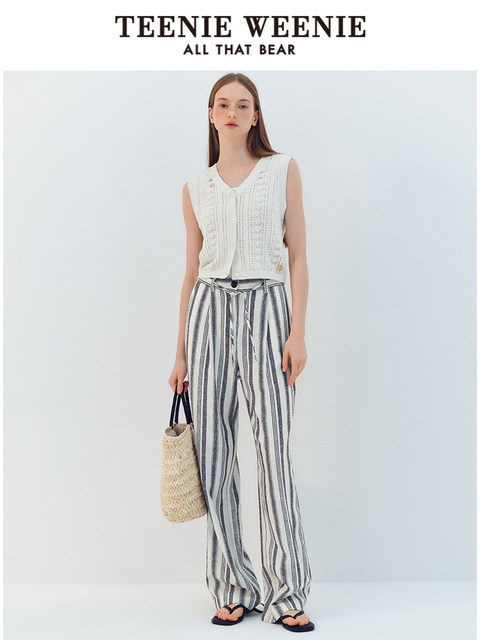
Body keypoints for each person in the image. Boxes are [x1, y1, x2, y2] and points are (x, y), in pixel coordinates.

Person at [169, 72, 314, 632]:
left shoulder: (282, 170)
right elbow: (190, 273)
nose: (232, 112)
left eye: (243, 104)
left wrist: (297, 332)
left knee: (274, 452)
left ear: (256, 115)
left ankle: (287, 592)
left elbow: (298, 256)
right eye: (223, 104)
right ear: (211, 114)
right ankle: (232, 585)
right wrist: (180, 353)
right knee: (215, 455)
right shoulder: (194, 187)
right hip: (208, 311)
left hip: (268, 308)